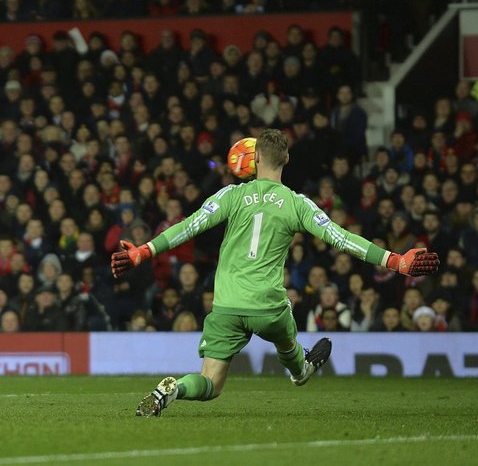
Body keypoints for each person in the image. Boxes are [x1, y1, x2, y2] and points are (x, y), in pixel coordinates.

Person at [112, 129, 439, 417]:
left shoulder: (231, 195)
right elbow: (342, 238)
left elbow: (188, 226)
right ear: (286, 157)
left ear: (253, 159)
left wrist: (144, 250)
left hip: (226, 305)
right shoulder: (298, 204)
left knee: (210, 384)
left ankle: (176, 388)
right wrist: (395, 261)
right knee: (289, 348)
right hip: (268, 307)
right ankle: (301, 368)